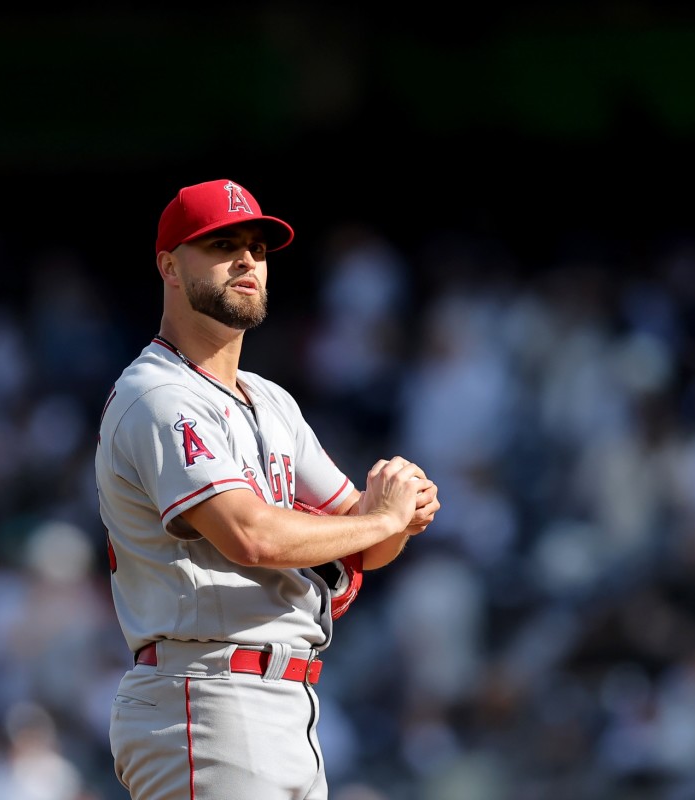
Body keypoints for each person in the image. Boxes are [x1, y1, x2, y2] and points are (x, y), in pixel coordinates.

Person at [94, 178, 440, 799]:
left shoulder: (271, 400)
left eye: (256, 245)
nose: (247, 259)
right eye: (222, 244)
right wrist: (381, 520)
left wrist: (398, 509)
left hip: (287, 704)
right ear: (170, 267)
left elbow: (362, 543)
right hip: (204, 698)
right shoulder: (158, 395)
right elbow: (248, 534)